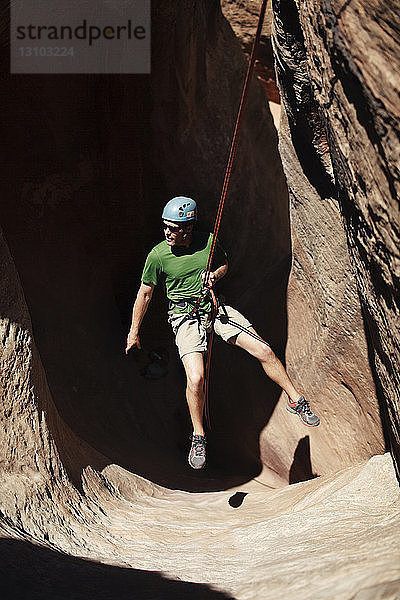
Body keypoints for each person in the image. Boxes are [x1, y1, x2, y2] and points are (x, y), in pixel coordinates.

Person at [126, 197, 320, 470]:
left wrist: (215, 275)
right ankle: (198, 436)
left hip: (215, 309)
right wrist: (134, 332)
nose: (167, 232)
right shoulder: (158, 256)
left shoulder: (208, 242)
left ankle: (296, 400)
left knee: (263, 350)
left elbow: (224, 264)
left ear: (188, 228)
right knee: (196, 378)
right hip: (184, 317)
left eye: (173, 228)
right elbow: (145, 293)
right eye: (165, 227)